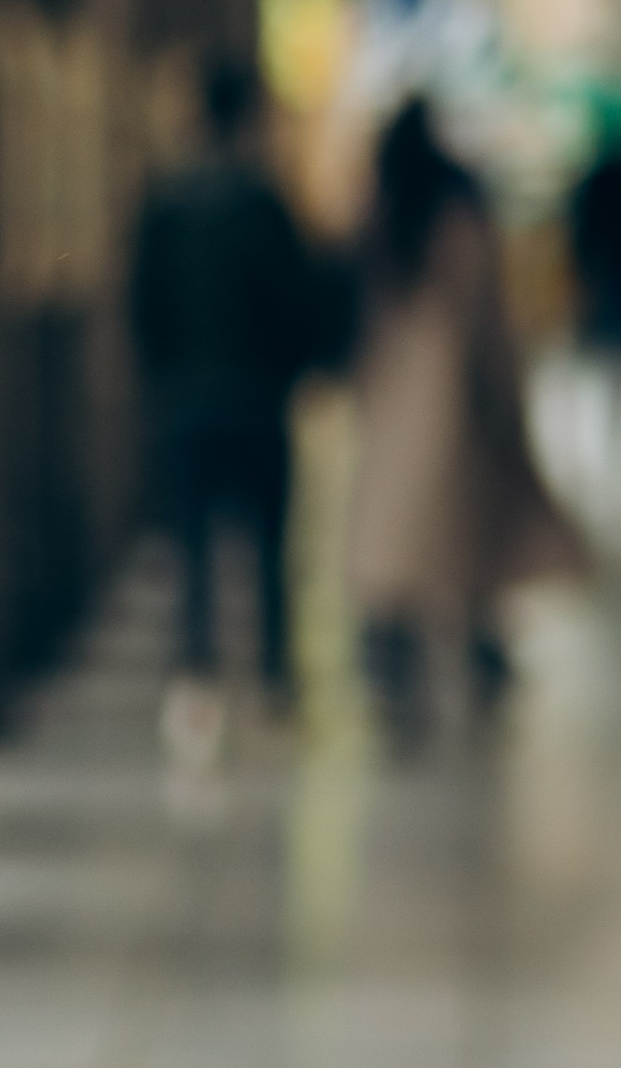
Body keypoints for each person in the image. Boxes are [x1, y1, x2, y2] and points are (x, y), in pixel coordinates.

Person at [345, 95, 583, 744]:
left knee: (397, 544)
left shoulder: (381, 219)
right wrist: (506, 392)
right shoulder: (460, 219)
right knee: (466, 538)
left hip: (393, 399)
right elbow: (490, 322)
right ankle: (479, 659)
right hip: (454, 401)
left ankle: (394, 670)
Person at [129, 46, 315, 764]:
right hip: (256, 397)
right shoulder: (263, 202)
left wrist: (164, 376)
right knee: (268, 547)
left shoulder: (165, 202)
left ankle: (197, 686)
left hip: (186, 400)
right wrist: (288, 370)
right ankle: (271, 683)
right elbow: (294, 302)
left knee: (194, 550)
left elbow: (143, 306)